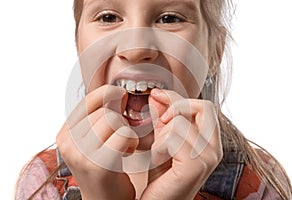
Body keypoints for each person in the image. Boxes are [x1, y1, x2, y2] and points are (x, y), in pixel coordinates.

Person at [15, 0, 292, 199]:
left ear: (215, 52)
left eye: (170, 18)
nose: (136, 49)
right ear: (79, 45)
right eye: (109, 17)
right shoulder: (43, 182)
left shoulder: (258, 185)